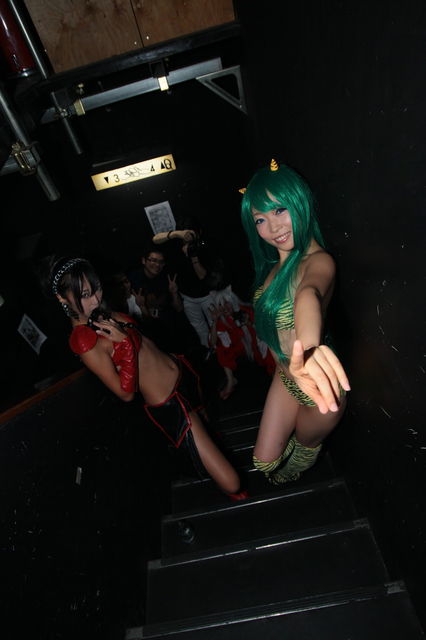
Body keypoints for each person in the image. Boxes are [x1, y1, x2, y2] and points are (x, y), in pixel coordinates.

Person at [39, 255, 248, 500]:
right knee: (232, 483)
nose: (95, 298)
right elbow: (125, 394)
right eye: (85, 294)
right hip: (170, 402)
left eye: (96, 289)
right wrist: (126, 346)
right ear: (62, 298)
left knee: (214, 432)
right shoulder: (83, 341)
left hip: (183, 374)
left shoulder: (99, 314)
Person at [240, 159, 351, 485]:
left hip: (320, 391)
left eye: (280, 210)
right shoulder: (273, 268)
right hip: (285, 376)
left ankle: (299, 463)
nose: (273, 227)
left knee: (295, 460)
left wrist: (309, 349)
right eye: (260, 219)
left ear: (300, 201)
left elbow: (308, 296)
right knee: (263, 462)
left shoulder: (318, 261)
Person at [153, 217, 228, 350]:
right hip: (188, 297)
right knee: (199, 329)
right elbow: (155, 239)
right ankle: (209, 352)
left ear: (199, 232)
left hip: (207, 295)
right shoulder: (176, 244)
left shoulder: (204, 246)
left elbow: (202, 276)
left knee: (218, 327)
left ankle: (225, 352)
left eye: (191, 233)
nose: (188, 238)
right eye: (186, 234)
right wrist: (177, 234)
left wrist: (193, 256)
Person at [208, 285, 276, 400]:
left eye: (226, 303)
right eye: (220, 305)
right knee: (220, 346)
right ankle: (231, 380)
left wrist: (249, 323)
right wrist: (214, 322)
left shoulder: (245, 311)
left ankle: (276, 378)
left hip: (256, 345)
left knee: (267, 347)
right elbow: (212, 343)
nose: (224, 307)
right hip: (240, 349)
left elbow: (265, 330)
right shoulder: (222, 320)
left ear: (232, 301)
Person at [126, 245, 196, 354]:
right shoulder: (133, 280)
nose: (157, 265)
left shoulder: (166, 278)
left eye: (161, 262)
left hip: (170, 327)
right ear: (144, 261)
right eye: (153, 260)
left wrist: (174, 293)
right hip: (149, 332)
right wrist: (142, 306)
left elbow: (179, 308)